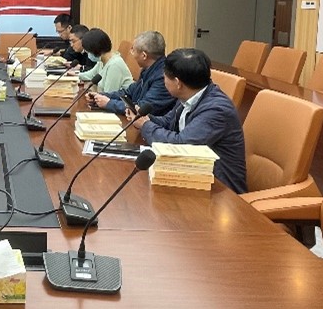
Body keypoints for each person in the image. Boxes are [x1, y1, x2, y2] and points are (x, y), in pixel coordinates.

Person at [134, 48, 247, 194]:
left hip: (222, 191)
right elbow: (168, 122)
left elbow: (182, 145)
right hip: (193, 176)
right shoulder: (190, 94)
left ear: (178, 83)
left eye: (165, 76)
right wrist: (146, 119)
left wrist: (146, 126)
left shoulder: (216, 110)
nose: (163, 79)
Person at [87, 30, 176, 119]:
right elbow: (128, 93)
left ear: (144, 56)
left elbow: (141, 109)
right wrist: (101, 96)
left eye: (133, 49)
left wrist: (109, 103)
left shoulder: (163, 77)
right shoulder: (148, 69)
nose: (131, 52)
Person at [76, 28, 133, 93]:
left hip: (116, 99)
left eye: (88, 52)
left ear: (95, 49)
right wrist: (75, 75)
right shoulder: (102, 60)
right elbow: (91, 75)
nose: (88, 55)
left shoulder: (115, 65)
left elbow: (109, 94)